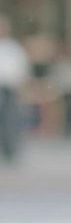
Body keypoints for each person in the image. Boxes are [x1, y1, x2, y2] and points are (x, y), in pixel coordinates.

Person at [0, 16, 32, 162]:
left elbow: (21, 69)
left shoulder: (13, 47)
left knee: (10, 120)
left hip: (9, 88)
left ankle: (10, 150)